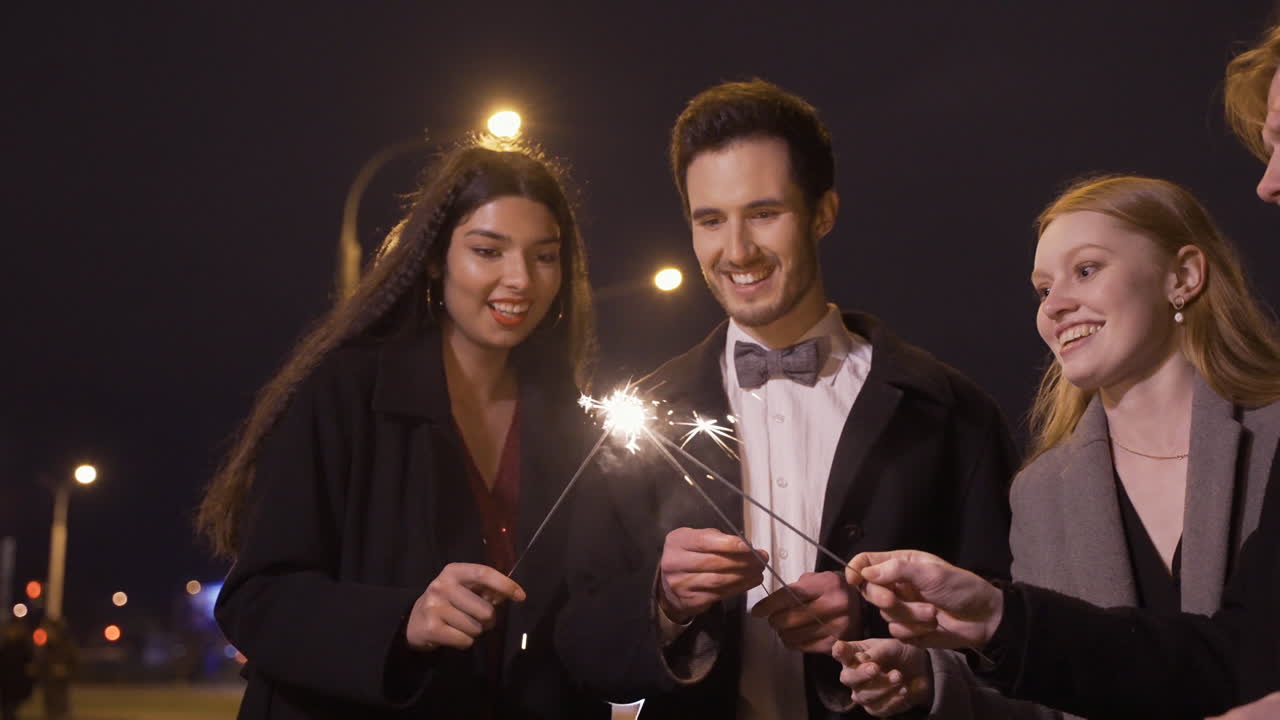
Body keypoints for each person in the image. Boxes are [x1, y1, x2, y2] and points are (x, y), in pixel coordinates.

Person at [829, 21, 1280, 720]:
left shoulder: (1275, 433)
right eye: (1043, 288)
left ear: (1184, 276)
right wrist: (940, 677)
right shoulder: (1040, 492)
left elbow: (1235, 661)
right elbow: (1053, 703)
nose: (1056, 304)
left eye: (1086, 270)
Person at [556, 79, 1016, 719]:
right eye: (710, 220)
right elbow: (579, 644)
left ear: (823, 213)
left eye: (764, 213)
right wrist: (663, 602)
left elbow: (1011, 634)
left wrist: (876, 622)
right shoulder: (643, 420)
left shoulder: (949, 411)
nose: (737, 250)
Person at [196, 139, 606, 719]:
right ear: (436, 259)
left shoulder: (569, 420)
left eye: (544, 256)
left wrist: (664, 600)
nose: (520, 279)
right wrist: (403, 621)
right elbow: (256, 599)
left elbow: (579, 619)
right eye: (487, 251)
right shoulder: (345, 392)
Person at [0, 621, 35, 720]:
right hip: (6, 685)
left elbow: (30, 667)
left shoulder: (24, 648)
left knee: (13, 710)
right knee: (7, 710)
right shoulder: (5, 647)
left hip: (17, 684)